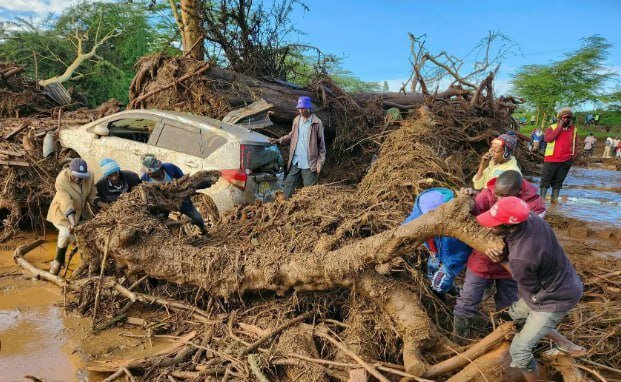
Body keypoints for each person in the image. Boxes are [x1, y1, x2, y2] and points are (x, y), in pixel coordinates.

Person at [476, 197, 585, 382]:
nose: (489, 227)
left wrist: (501, 260)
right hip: (565, 280)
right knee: (514, 314)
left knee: (519, 350)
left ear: (509, 226)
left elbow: (529, 287)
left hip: (553, 299)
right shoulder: (533, 219)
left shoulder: (521, 258)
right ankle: (568, 346)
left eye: (494, 225)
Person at [453, 171, 545, 343]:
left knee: (508, 305)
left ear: (518, 192)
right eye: (498, 194)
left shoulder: (534, 205)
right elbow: (475, 209)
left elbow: (530, 237)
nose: (499, 198)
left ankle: (502, 340)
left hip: (512, 262)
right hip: (483, 257)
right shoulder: (489, 192)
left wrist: (502, 247)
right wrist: (467, 200)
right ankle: (459, 341)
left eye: (504, 196)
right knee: (467, 300)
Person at [403, 188, 471, 299]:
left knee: (440, 282)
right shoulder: (421, 208)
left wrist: (449, 265)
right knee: (432, 270)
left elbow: (459, 254)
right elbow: (407, 226)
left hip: (451, 258)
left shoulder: (454, 229)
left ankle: (442, 291)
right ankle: (446, 288)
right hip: (434, 251)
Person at [47, 158, 109, 275]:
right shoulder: (61, 180)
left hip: (80, 212)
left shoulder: (89, 176)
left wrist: (106, 206)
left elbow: (92, 196)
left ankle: (88, 265)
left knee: (90, 235)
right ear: (70, 171)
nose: (79, 179)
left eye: (82, 177)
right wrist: (73, 223)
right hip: (62, 213)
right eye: (76, 176)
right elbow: (66, 203)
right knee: (65, 234)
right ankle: (57, 262)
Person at [269, 96, 326, 199]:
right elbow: (292, 135)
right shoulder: (296, 120)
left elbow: (321, 146)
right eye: (299, 108)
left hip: (309, 163)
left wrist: (320, 162)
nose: (301, 110)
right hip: (296, 161)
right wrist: (279, 140)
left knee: (310, 192)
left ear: (309, 108)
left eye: (303, 108)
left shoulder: (317, 123)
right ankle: (285, 207)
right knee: (287, 187)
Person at [140, 154, 207, 234]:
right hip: (162, 204)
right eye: (148, 172)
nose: (149, 174)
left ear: (158, 168)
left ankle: (203, 230)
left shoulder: (170, 168)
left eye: (151, 171)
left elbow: (184, 182)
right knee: (159, 224)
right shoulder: (145, 178)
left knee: (197, 217)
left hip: (179, 199)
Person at [540, 107, 578, 203]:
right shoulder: (552, 127)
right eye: (564, 118)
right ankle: (541, 202)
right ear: (560, 118)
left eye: (569, 118)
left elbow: (575, 144)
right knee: (545, 181)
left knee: (558, 182)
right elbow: (548, 139)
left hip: (566, 160)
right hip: (551, 159)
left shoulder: (573, 130)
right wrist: (559, 127)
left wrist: (573, 157)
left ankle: (554, 202)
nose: (567, 120)